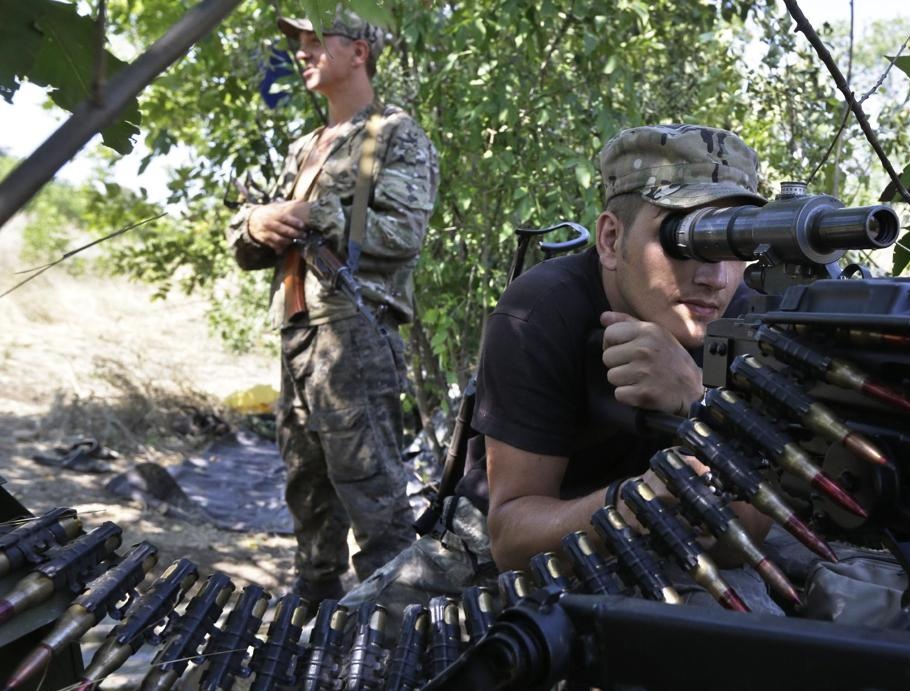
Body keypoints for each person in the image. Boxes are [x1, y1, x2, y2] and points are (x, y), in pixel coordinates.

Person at [474, 123, 782, 608]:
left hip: (680, 559)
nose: (715, 277)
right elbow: (511, 539)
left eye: (733, 242)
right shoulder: (538, 313)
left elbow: (750, 533)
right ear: (611, 239)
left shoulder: (747, 319)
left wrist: (698, 402)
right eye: (686, 239)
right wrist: (631, 506)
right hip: (554, 558)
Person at [226, 7, 440, 603]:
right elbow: (252, 248)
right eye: (296, 41)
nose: (301, 51)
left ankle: (393, 625)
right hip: (297, 332)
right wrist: (256, 222)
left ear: (359, 52)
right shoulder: (305, 148)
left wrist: (318, 214)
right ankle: (315, 607)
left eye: (315, 39)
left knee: (372, 492)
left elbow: (403, 236)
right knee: (307, 487)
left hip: (355, 335)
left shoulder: (394, 135)